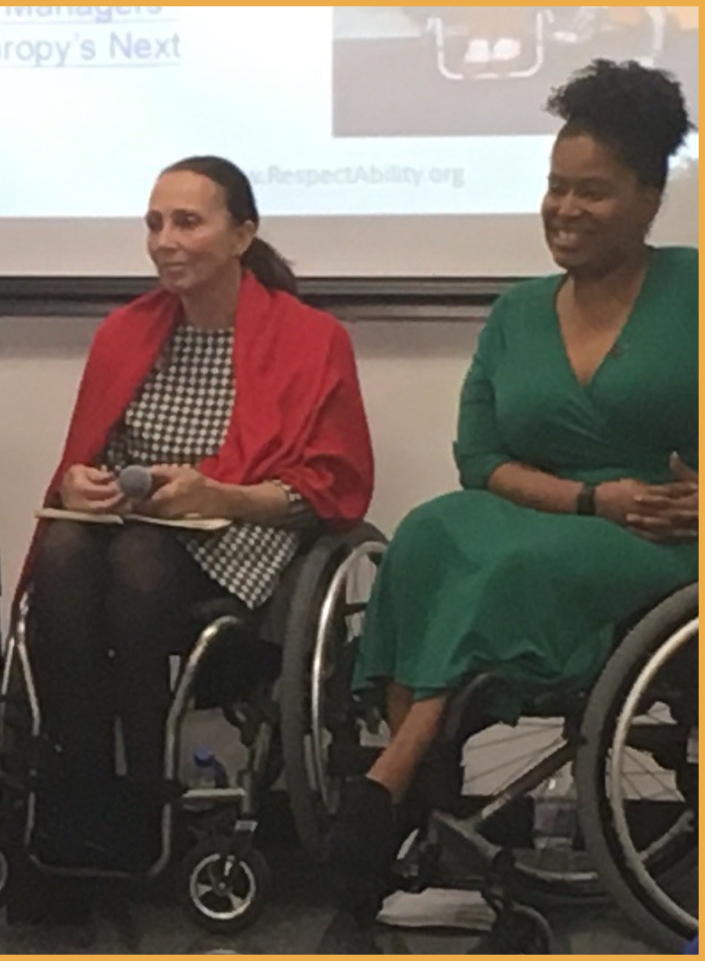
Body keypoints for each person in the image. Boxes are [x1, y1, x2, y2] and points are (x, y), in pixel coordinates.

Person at [332, 59, 698, 945]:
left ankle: (389, 791)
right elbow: (479, 458)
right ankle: (416, 781)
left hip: (663, 539)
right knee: (426, 533)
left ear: (650, 199)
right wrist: (586, 497)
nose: (564, 210)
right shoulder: (518, 310)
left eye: (593, 193)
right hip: (564, 510)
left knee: (513, 561)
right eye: (554, 187)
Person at [19, 155, 374, 894]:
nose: (165, 239)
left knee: (138, 558)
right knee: (63, 551)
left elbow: (330, 490)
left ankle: (146, 786)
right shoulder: (127, 331)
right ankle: (81, 782)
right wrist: (82, 482)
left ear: (242, 233)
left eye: (187, 221)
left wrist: (221, 495)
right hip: (137, 520)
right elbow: (94, 454)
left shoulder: (311, 338)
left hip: (243, 527)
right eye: (155, 222)